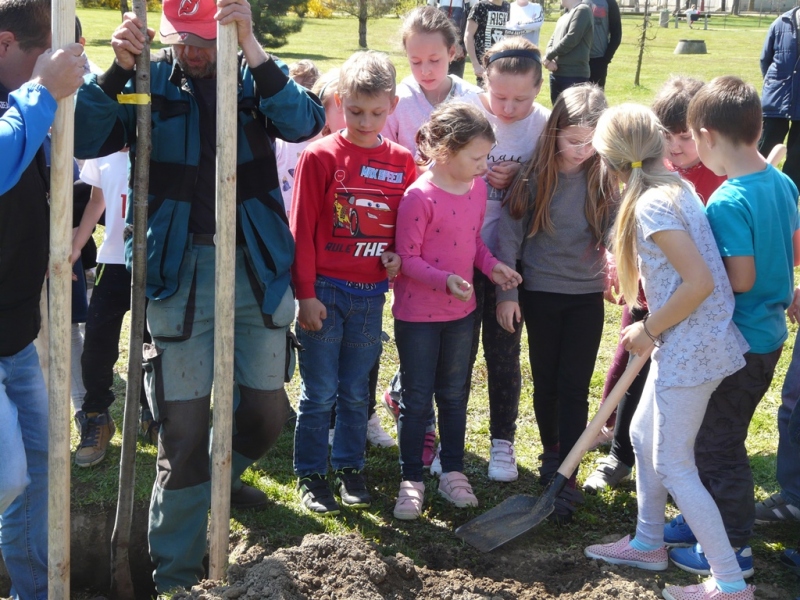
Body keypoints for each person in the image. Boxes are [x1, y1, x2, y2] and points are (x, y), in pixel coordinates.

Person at [73, 0, 325, 591]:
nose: (189, 51)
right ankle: (178, 575)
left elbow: (305, 123)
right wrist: (115, 71)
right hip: (176, 274)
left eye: (202, 40)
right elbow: (86, 134)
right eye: (179, 40)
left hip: (255, 269)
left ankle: (217, 478)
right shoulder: (148, 79)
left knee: (266, 414)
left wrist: (255, 50)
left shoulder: (256, 73)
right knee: (182, 436)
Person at [583, 103, 754, 600]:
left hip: (691, 347)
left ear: (610, 163)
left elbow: (699, 282)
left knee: (676, 465)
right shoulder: (674, 188)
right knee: (640, 433)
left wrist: (648, 329)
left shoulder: (655, 204)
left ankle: (729, 582)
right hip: (685, 340)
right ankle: (648, 542)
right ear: (660, 141)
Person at [663, 76, 800, 581]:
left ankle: (733, 547)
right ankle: (703, 518)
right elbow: (792, 249)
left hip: (736, 344)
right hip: (767, 336)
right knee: (714, 436)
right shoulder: (782, 182)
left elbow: (739, 278)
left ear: (705, 137)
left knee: (718, 445)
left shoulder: (726, 200)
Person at [583, 76, 727, 493]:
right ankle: (621, 456)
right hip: (655, 304)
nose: (676, 146)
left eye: (685, 137)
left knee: (670, 448)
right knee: (631, 386)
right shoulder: (655, 183)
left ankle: (705, 535)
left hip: (683, 321)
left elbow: (699, 277)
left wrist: (651, 328)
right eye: (669, 137)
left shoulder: (675, 191)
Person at [290, 50, 417, 515]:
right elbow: (300, 230)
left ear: (393, 104)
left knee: (355, 390)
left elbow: (409, 226)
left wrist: (398, 257)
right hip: (323, 290)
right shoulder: (319, 156)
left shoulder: (403, 162)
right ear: (339, 101)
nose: (365, 121)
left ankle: (349, 467)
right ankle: (310, 473)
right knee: (319, 391)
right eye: (355, 111)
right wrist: (304, 294)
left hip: (369, 295)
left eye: (377, 113)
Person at [391, 101, 522, 520]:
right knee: (416, 398)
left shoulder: (477, 190)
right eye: (477, 157)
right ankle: (411, 477)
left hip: (460, 315)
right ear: (445, 151)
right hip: (417, 317)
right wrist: (443, 280)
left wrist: (493, 266)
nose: (485, 167)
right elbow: (406, 258)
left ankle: (452, 470)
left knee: (454, 394)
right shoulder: (418, 197)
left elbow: (475, 244)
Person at [496, 84, 616, 522]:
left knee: (574, 384)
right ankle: (551, 457)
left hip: (585, 297)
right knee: (546, 380)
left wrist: (619, 260)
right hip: (540, 294)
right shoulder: (532, 177)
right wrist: (508, 292)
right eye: (572, 139)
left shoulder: (605, 178)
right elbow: (509, 237)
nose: (581, 150)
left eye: (591, 141)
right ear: (554, 132)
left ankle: (568, 468)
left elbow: (611, 232)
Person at [0, 0, 87, 597]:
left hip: (14, 337)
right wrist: (41, 90)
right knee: (4, 475)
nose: (58, 76)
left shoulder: (24, 100)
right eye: (45, 60)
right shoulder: (25, 99)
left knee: (35, 480)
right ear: (6, 44)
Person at [382, 5, 482, 466]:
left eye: (435, 61)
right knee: (415, 326)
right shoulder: (398, 102)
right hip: (408, 233)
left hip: (458, 234)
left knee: (446, 339)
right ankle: (413, 415)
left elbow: (482, 153)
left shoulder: (470, 98)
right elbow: (382, 159)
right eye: (416, 61)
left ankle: (413, 405)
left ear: (454, 52)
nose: (425, 70)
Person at [461, 36, 549, 482]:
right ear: (484, 80)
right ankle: (446, 440)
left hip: (509, 262)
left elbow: (556, 187)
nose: (509, 108)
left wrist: (525, 177)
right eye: (499, 96)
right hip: (457, 256)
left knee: (504, 353)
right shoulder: (466, 113)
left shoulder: (545, 126)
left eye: (522, 98)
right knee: (452, 356)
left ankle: (503, 442)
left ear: (539, 87)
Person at [70, 149, 161, 469]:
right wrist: (77, 246)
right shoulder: (102, 151)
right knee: (96, 345)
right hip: (113, 262)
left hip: (154, 264)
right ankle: (97, 417)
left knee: (154, 345)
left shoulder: (160, 140)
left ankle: (153, 414)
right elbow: (96, 201)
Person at [759, 6, 800, 191]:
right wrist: (775, 86)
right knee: (764, 147)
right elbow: (765, 60)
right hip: (777, 98)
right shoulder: (780, 23)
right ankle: (755, 188)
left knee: (797, 156)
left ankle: (789, 195)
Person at [544, 0, 593, 105]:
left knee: (572, 117)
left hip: (574, 75)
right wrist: (549, 59)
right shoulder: (563, 16)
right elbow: (552, 40)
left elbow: (572, 39)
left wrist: (548, 56)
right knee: (558, 115)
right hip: (556, 74)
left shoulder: (583, 10)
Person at [464, 0, 510, 85]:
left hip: (501, 62)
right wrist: (475, 64)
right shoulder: (480, 6)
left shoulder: (507, 6)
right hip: (484, 66)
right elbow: (468, 36)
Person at [428, 0, 470, 78]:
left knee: (455, 84)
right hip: (437, 49)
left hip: (459, 52)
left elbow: (473, 25)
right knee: (436, 81)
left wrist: (463, 48)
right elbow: (428, 20)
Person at [585, 0, 620, 89]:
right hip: (576, 60)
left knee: (595, 98)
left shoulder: (610, 3)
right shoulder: (576, 1)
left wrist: (605, 59)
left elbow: (616, 35)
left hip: (598, 61)